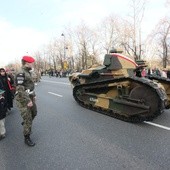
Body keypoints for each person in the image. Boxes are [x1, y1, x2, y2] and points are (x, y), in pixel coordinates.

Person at [15, 56, 37, 146]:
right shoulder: (21, 73)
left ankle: (25, 122)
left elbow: (30, 86)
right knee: (28, 119)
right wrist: (28, 100)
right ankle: (27, 137)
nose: (32, 64)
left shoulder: (28, 71)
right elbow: (20, 89)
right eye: (31, 63)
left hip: (30, 96)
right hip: (23, 98)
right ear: (27, 63)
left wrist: (34, 95)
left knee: (34, 113)